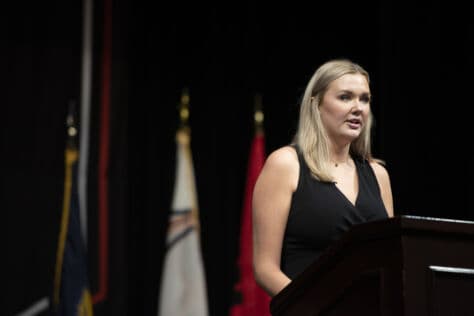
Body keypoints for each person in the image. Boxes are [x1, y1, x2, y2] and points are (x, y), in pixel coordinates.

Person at [252, 59, 394, 297]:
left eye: (364, 99)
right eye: (345, 97)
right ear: (315, 104)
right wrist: (316, 308)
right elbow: (265, 269)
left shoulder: (378, 175)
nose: (358, 107)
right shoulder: (286, 164)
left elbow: (390, 260)